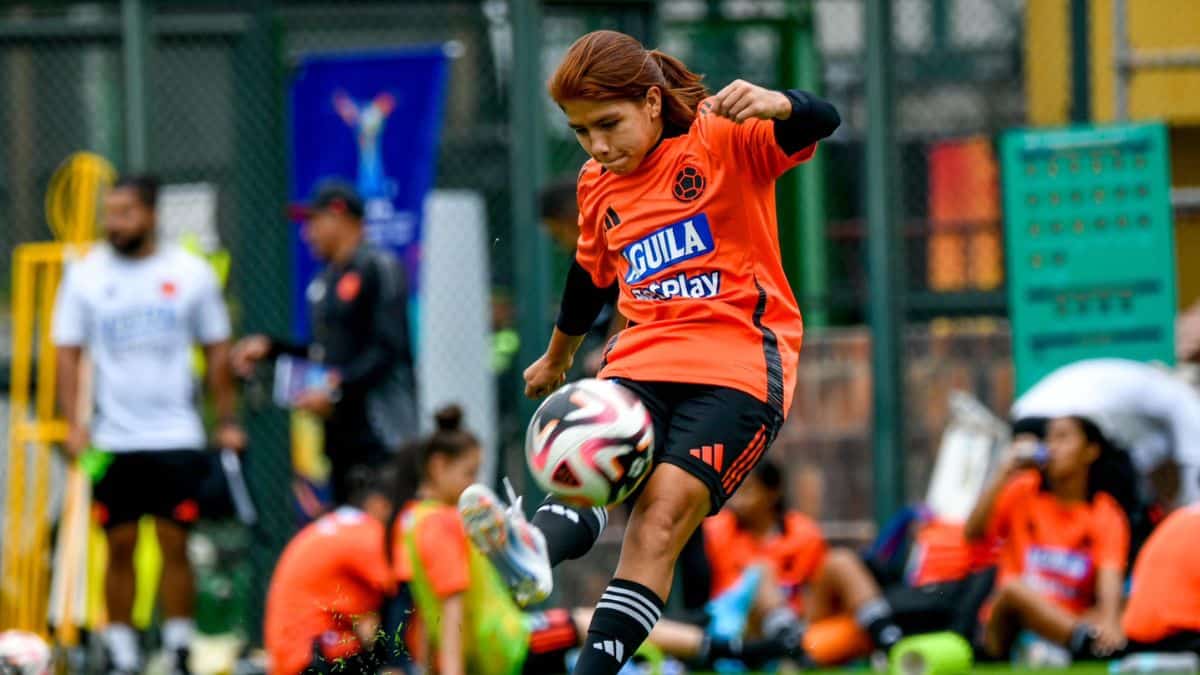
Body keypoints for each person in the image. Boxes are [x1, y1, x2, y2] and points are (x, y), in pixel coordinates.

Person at [457, 29, 841, 675]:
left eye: (609, 124)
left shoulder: (721, 138)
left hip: (738, 365)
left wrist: (780, 102)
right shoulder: (596, 183)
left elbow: (823, 119)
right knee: (580, 465)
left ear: (654, 102)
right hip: (638, 360)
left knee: (659, 517)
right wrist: (556, 358)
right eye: (581, 132)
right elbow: (590, 278)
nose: (599, 145)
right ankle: (531, 552)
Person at [395, 407, 799, 674]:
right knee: (596, 624)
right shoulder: (446, 523)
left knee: (594, 624)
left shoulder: (409, 523)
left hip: (493, 647)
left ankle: (725, 648)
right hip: (508, 644)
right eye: (469, 472)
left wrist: (426, 665)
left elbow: (425, 606)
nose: (475, 483)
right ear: (437, 466)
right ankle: (733, 651)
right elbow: (450, 608)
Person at [52, 174, 246, 675]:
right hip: (112, 437)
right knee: (117, 544)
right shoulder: (87, 274)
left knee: (174, 542)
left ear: (151, 215)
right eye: (109, 213)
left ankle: (178, 649)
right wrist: (74, 422)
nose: (114, 223)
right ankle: (122, 654)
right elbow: (67, 352)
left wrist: (224, 420)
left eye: (125, 213)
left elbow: (217, 348)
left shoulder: (190, 273)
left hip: (176, 434)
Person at [231, 180, 417, 504]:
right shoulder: (325, 279)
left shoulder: (378, 267)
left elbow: (387, 350)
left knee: (382, 533)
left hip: (381, 434)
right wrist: (272, 348)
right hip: (340, 437)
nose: (307, 233)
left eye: (313, 222)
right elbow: (326, 355)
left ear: (339, 216)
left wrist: (335, 387)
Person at [965, 415, 1133, 660]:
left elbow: (1110, 574)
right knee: (1012, 589)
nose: (1051, 446)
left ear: (1090, 451)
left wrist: (1109, 621)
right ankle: (1085, 644)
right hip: (1007, 626)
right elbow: (972, 533)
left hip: (1067, 621)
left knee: (1125, 600)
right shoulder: (1023, 490)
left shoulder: (1105, 512)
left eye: (1063, 437)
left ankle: (1084, 640)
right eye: (1049, 438)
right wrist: (1004, 471)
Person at [263, 465, 403, 675]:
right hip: (311, 657)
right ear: (380, 505)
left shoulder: (342, 524)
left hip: (293, 652)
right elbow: (402, 584)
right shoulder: (365, 532)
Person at [1011, 358, 1200, 506]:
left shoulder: (1153, 395)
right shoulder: (1183, 399)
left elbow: (1149, 456)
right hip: (1046, 415)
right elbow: (1192, 463)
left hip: (1030, 410)